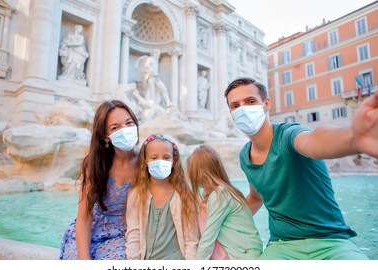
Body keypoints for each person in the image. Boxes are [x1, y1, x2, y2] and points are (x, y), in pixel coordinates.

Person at [224, 77, 378, 260]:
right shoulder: (245, 156)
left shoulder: (289, 135)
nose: (243, 109)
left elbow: (314, 140)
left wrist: (354, 138)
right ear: (231, 113)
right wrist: (220, 221)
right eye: (235, 105)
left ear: (266, 104)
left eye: (250, 101)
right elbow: (256, 197)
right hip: (281, 245)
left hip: (331, 241)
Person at [59, 100, 139, 260]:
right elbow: (84, 218)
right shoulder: (95, 164)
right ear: (105, 136)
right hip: (90, 232)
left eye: (129, 123)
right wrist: (84, 260)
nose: (125, 129)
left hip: (125, 237)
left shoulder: (146, 162)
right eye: (115, 127)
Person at [125, 134, 199, 260]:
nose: (160, 162)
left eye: (166, 157)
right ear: (145, 160)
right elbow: (134, 235)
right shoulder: (136, 194)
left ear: (173, 160)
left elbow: (191, 240)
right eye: (154, 157)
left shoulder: (184, 195)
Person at [186, 145, 263, 260]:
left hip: (243, 256)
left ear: (197, 172)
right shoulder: (210, 196)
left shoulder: (220, 194)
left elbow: (209, 235)